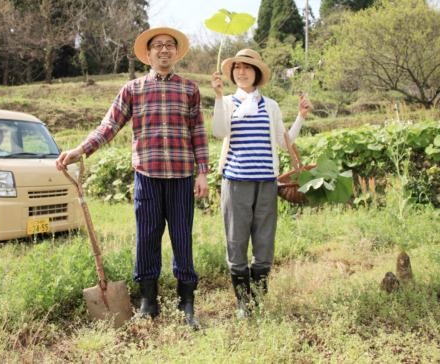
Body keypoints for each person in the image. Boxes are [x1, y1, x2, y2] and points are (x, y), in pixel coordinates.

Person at [56, 26, 209, 329]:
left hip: (181, 176)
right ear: (148, 54)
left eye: (169, 46)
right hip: (147, 177)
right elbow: (109, 126)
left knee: (182, 239)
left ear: (176, 53)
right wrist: (80, 150)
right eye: (158, 46)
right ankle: (148, 304)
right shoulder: (133, 89)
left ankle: (185, 304)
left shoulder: (189, 89)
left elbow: (198, 133)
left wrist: (202, 173)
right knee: (147, 240)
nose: (164, 50)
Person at [211, 49, 312, 318]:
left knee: (265, 242)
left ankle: (257, 301)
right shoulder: (228, 103)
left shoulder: (271, 106)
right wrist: (219, 97)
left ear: (257, 74)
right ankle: (243, 303)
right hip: (236, 182)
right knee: (236, 241)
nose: (241, 72)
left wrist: (301, 116)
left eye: (247, 67)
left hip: (267, 183)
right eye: (237, 68)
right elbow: (219, 132)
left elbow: (284, 142)